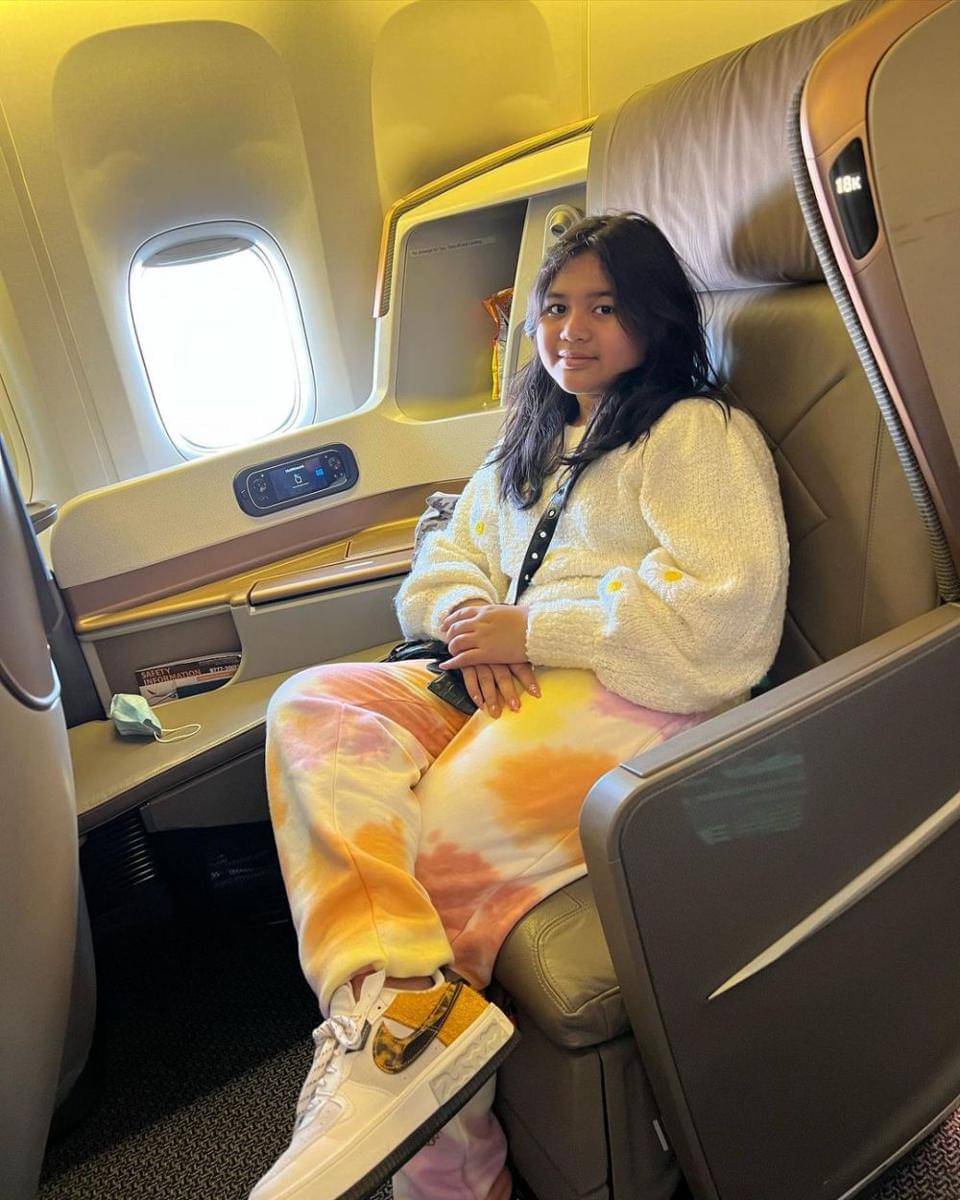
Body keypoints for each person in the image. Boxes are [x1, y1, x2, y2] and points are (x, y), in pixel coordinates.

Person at [250, 213, 789, 1200]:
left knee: (430, 837)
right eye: (555, 307)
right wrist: (469, 622)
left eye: (604, 308)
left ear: (655, 318)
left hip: (641, 695)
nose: (571, 331)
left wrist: (533, 632)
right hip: (496, 675)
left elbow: (726, 622)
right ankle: (397, 1017)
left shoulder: (695, 434)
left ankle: (451, 1179)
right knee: (311, 711)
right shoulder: (529, 442)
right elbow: (446, 557)